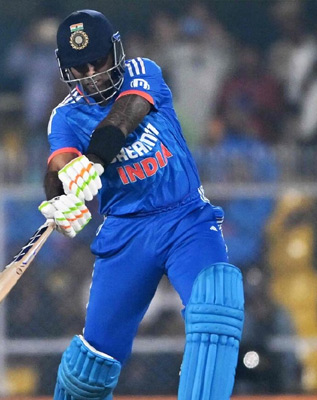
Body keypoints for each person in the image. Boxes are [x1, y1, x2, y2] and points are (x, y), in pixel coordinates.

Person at [38, 10, 243, 399]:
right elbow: (58, 164)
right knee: (92, 366)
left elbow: (123, 117)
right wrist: (59, 197)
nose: (92, 75)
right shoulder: (64, 116)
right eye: (80, 68)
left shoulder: (141, 71)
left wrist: (93, 161)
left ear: (116, 51)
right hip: (126, 232)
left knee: (216, 303)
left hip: (185, 218)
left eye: (98, 61)